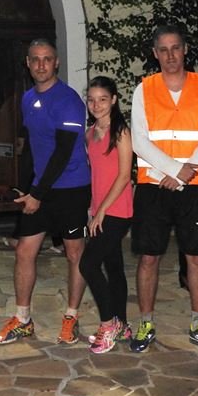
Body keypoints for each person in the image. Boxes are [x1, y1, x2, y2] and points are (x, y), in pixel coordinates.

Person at [129, 23, 198, 355]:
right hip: (153, 185)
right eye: (163, 49)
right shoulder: (143, 89)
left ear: (185, 50)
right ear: (155, 54)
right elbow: (139, 140)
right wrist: (174, 171)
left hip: (195, 186)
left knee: (197, 257)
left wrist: (184, 174)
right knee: (149, 257)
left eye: (176, 48)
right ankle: (146, 323)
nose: (170, 55)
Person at [0, 39, 91, 345]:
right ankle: (23, 319)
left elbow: (62, 153)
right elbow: (34, 148)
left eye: (47, 59)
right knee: (24, 251)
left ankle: (71, 317)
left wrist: (37, 193)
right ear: (28, 63)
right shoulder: (28, 99)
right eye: (35, 59)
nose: (41, 65)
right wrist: (23, 187)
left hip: (71, 187)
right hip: (40, 187)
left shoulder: (69, 100)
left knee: (74, 253)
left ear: (56, 62)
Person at [79, 76, 135, 354]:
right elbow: (96, 175)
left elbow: (124, 176)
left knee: (88, 265)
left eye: (102, 99)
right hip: (99, 209)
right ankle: (122, 324)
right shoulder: (89, 134)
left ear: (113, 100)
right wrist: (92, 208)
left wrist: (101, 210)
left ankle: (108, 324)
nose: (96, 104)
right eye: (91, 99)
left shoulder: (121, 131)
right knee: (113, 267)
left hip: (118, 210)